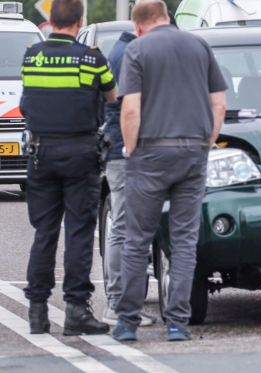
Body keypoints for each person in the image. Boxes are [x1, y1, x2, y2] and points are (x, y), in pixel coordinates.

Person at [113, 0, 227, 342]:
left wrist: (130, 148)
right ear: (168, 18)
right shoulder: (199, 45)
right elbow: (219, 103)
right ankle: (178, 323)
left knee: (137, 240)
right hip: (193, 153)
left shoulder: (137, 49)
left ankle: (127, 323)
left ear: (138, 26)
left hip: (150, 153)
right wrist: (206, 143)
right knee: (184, 241)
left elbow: (130, 109)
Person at [19, 0, 118, 336]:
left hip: (40, 153)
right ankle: (76, 310)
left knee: (45, 232)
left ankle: (37, 311)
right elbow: (112, 97)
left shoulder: (32, 56)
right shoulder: (91, 58)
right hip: (80, 154)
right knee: (78, 231)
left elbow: (27, 102)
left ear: (51, 21)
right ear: (80, 21)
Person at [101, 24, 156, 327]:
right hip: (125, 151)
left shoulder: (124, 50)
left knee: (125, 227)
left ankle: (121, 303)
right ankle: (118, 305)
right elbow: (129, 109)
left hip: (123, 148)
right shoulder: (128, 54)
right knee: (122, 227)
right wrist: (132, 149)